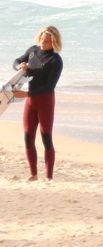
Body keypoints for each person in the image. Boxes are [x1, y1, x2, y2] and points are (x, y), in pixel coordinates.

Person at [12, 26, 64, 181]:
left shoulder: (55, 60)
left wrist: (26, 94)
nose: (43, 43)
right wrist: (20, 66)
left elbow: (49, 86)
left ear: (54, 42)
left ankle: (49, 177)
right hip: (30, 101)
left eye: (47, 41)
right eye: (42, 39)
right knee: (28, 136)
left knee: (46, 137)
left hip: (45, 101)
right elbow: (16, 61)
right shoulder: (33, 50)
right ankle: (33, 174)